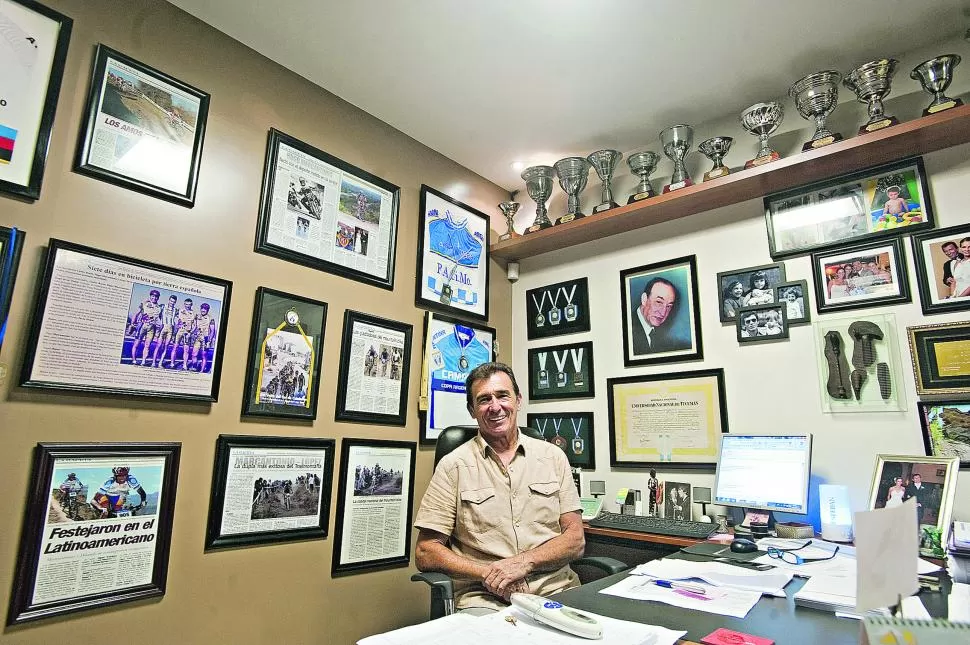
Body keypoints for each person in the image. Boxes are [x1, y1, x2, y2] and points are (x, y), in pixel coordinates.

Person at [414, 362, 584, 613]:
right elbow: (425, 552)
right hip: (485, 599)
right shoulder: (454, 466)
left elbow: (575, 539)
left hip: (557, 592)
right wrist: (491, 574)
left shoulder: (553, 457)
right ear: (472, 410)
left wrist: (523, 563)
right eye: (484, 400)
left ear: (518, 399)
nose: (495, 407)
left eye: (503, 395)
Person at [631, 277, 688, 354]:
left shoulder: (659, 336)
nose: (663, 313)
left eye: (669, 306)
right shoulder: (628, 329)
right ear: (644, 299)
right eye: (658, 302)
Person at [130, 289, 163, 366]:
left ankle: (143, 361)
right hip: (142, 326)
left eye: (156, 297)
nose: (154, 298)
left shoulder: (159, 308)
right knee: (137, 343)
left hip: (151, 328)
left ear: (158, 298)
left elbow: (159, 319)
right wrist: (132, 323)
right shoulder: (144, 303)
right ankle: (134, 360)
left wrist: (158, 330)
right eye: (153, 296)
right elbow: (136, 313)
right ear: (150, 296)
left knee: (147, 345)